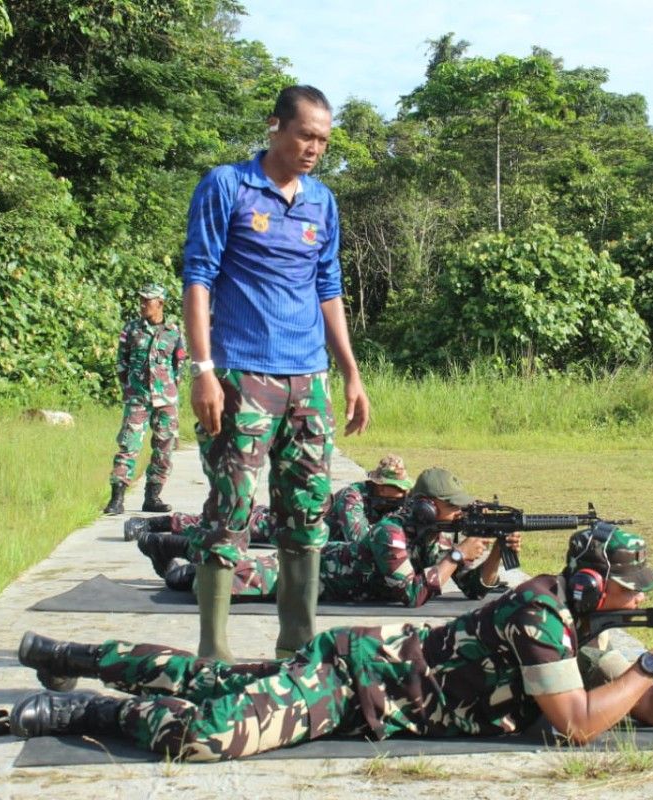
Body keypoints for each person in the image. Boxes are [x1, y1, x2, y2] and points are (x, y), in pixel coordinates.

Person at [10, 525, 653, 761]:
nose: (640, 596)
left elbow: (645, 711)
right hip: (359, 682)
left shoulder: (587, 626)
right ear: (586, 583)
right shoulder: (542, 613)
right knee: (210, 733)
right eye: (628, 584)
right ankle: (89, 709)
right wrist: (649, 661)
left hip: (368, 680)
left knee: (210, 680)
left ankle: (71, 655)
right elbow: (579, 724)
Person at [181, 84, 370, 661]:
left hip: (307, 379)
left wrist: (351, 373)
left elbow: (328, 288)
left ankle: (297, 649)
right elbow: (198, 278)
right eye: (305, 135)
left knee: (307, 513)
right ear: (276, 127)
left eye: (323, 140)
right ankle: (213, 653)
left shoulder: (321, 202)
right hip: (243, 374)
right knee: (232, 507)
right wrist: (203, 370)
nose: (314, 148)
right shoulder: (228, 185)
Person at [153, 467, 514, 608]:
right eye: (451, 507)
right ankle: (171, 555)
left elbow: (473, 588)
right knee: (206, 587)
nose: (459, 514)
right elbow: (412, 594)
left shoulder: (432, 535)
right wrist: (455, 557)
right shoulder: (391, 532)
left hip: (330, 579)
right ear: (425, 507)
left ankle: (179, 555)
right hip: (303, 575)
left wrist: (494, 553)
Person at [122, 453, 412, 544]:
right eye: (394, 487)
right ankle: (150, 524)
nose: (400, 493)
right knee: (223, 526)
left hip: (303, 532)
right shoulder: (354, 496)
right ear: (378, 485)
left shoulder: (390, 501)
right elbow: (358, 537)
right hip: (285, 524)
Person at [104, 284, 186, 515]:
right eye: (140, 300)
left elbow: (178, 366)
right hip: (138, 397)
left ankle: (153, 496)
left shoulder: (173, 331)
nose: (142, 305)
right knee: (129, 445)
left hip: (166, 399)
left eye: (147, 301)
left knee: (164, 448)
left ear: (160, 303)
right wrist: (130, 388)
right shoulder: (131, 329)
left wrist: (169, 391)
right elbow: (122, 363)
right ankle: (116, 498)